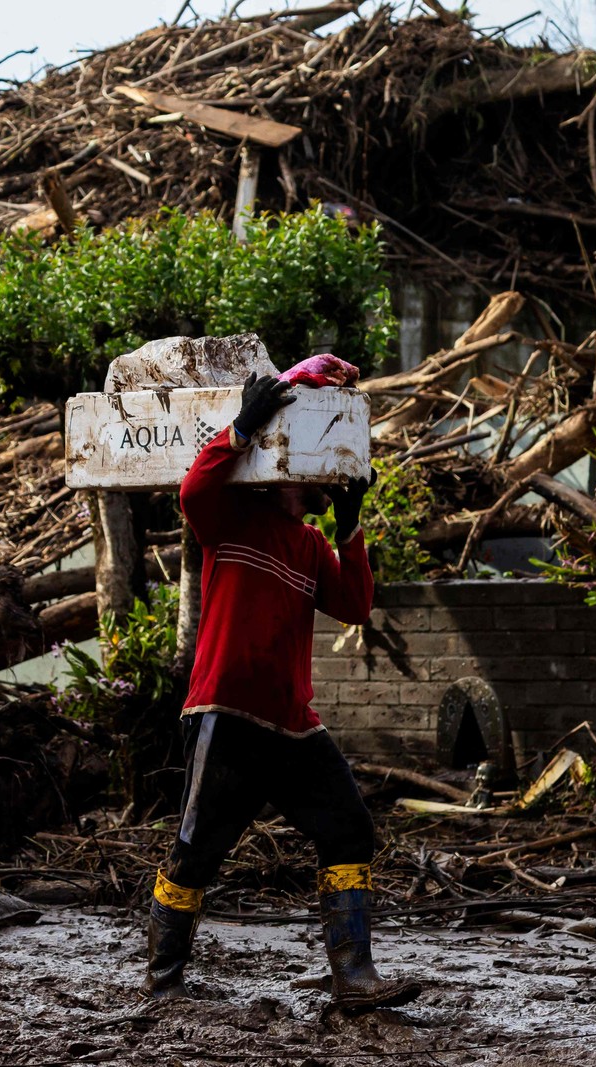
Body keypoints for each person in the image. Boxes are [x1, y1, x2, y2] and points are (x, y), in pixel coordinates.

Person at [141, 372, 421, 1013]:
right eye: (310, 475)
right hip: (225, 713)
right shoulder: (231, 517)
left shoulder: (311, 545)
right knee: (196, 851)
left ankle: (353, 977)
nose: (319, 482)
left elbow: (354, 604)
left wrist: (351, 529)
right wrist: (240, 429)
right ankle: (162, 981)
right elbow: (192, 489)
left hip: (293, 724)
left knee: (349, 831)